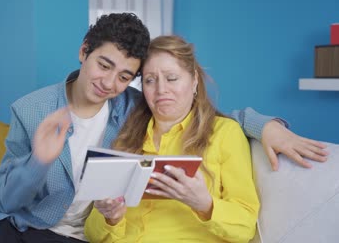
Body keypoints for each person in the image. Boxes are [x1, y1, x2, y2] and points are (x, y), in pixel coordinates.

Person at [0, 13, 327, 243]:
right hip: (21, 225)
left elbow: (215, 116)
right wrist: (40, 161)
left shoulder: (145, 112)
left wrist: (268, 127)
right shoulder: (42, 111)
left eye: (125, 76)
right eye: (148, 80)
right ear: (84, 52)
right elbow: (8, 201)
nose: (109, 83)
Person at [84, 35, 258, 242]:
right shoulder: (127, 138)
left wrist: (204, 204)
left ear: (194, 81)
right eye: (150, 80)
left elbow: (245, 228)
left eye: (171, 78)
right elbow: (92, 234)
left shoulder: (225, 133)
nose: (161, 90)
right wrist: (111, 218)